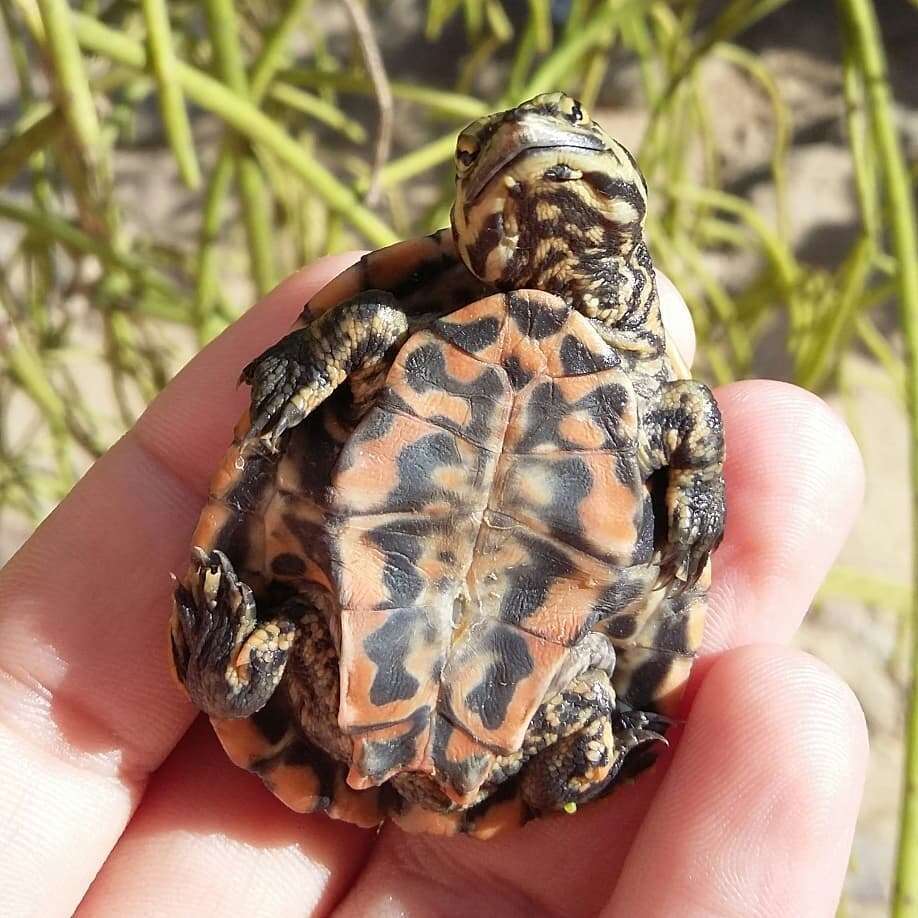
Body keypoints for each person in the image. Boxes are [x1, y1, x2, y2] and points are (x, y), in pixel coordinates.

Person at [0, 256, 868, 917]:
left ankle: (258, 678)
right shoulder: (646, 401)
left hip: (369, 647)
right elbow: (690, 434)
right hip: (498, 700)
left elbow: (367, 336)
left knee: (246, 672)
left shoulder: (411, 325)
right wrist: (577, 764)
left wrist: (224, 676)